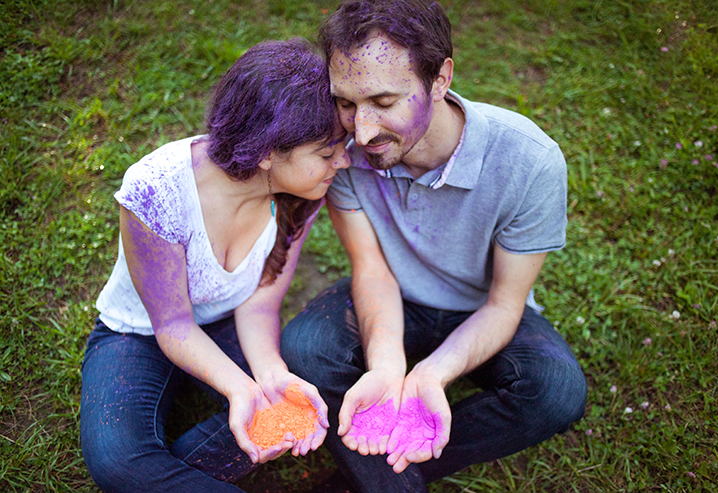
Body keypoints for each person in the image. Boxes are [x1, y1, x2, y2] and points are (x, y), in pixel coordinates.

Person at [280, 1, 588, 491]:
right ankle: (389, 478)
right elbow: (372, 270)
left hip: (478, 308)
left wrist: (431, 375)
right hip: (391, 294)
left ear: (441, 79)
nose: (361, 131)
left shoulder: (530, 161)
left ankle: (371, 473)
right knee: (303, 348)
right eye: (346, 102)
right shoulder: (344, 153)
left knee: (555, 393)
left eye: (384, 102)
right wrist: (386, 366)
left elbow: (505, 305)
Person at [80, 38, 348, 493]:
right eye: (326, 153)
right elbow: (174, 325)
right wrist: (241, 390)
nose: (342, 162)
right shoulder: (156, 189)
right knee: (118, 460)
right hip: (139, 333)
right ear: (267, 150)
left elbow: (261, 303)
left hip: (228, 325)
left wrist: (269, 375)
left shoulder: (299, 196)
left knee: (297, 411)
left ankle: (160, 478)